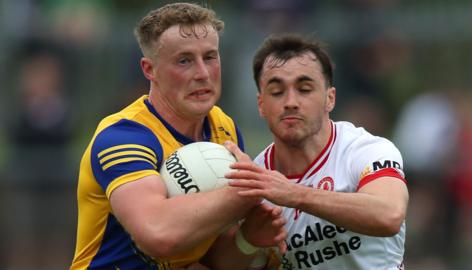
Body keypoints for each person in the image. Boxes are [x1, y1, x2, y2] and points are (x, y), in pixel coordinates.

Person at [71, 3, 286, 270]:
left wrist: (248, 241)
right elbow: (157, 234)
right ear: (149, 70)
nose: (202, 74)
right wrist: (247, 189)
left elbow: (211, 262)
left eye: (209, 57)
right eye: (184, 61)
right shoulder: (123, 137)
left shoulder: (224, 129)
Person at [225, 34, 409, 269]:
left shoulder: (365, 149)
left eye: (304, 89)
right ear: (261, 105)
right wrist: (248, 241)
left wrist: (296, 194)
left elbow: (389, 215)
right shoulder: (258, 180)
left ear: (329, 99)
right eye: (277, 91)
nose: (291, 101)